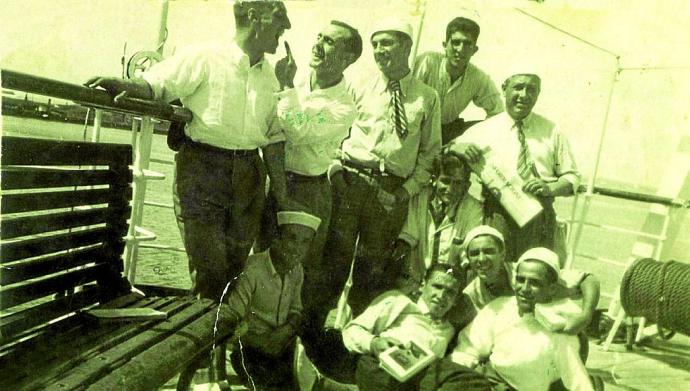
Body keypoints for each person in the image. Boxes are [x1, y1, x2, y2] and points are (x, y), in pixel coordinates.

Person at [86, 1, 295, 302]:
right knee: (209, 273)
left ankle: (216, 347)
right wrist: (126, 85)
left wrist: (281, 194)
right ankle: (207, 346)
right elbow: (156, 85)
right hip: (203, 172)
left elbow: (275, 136)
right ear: (254, 16)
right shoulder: (205, 57)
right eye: (279, 18)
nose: (286, 27)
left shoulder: (271, 77)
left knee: (234, 276)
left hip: (249, 177)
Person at [322, 18, 442, 319]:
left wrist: (404, 192)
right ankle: (319, 341)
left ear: (406, 47)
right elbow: (334, 132)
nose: (378, 51)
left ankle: (356, 339)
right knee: (333, 266)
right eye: (375, 45)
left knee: (371, 273)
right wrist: (336, 173)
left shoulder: (427, 98)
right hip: (350, 182)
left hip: (390, 195)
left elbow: (430, 153)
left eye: (386, 43)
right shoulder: (357, 87)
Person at [256, 19, 362, 302]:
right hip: (271, 181)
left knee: (295, 273)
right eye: (319, 36)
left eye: (329, 42)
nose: (317, 45)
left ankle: (283, 342)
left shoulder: (343, 107)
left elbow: (298, 129)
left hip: (307, 192)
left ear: (348, 58)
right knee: (260, 263)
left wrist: (286, 85)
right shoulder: (297, 84)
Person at [449, 72, 581, 263]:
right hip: (497, 214)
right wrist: (457, 147)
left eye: (531, 89)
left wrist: (550, 188)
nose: (524, 95)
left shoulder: (552, 131)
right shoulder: (484, 129)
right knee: (496, 271)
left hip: (540, 215)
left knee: (535, 271)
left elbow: (572, 178)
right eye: (518, 87)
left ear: (538, 94)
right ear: (504, 88)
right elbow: (445, 151)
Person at [448, 248, 595, 391]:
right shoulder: (501, 306)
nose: (524, 288)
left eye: (534, 282)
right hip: (486, 380)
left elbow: (577, 381)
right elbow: (469, 348)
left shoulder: (560, 327)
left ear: (552, 289)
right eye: (520, 279)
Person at [342, 264, 490, 391]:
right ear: (423, 286)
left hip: (421, 378)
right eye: (437, 286)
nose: (441, 295)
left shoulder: (450, 329)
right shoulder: (397, 301)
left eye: (450, 292)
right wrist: (374, 343)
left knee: (476, 383)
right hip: (382, 367)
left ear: (456, 300)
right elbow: (351, 330)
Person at [219, 211, 321, 391]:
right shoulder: (252, 270)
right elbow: (233, 322)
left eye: (305, 242)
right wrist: (262, 342)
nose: (297, 248)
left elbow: (296, 309)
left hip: (283, 346)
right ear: (277, 238)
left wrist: (285, 331)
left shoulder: (297, 270)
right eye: (292, 238)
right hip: (250, 350)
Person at [452, 225, 600, 335]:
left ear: (503, 254)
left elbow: (588, 279)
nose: (482, 259)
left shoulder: (527, 270)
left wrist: (585, 316)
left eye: (489, 251)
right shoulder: (472, 295)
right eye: (474, 254)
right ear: (468, 259)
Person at [413, 16, 503, 145]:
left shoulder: (478, 78)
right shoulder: (427, 61)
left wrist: (467, 141)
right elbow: (403, 95)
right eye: (455, 42)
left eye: (467, 44)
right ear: (445, 45)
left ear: (474, 50)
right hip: (416, 129)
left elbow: (498, 114)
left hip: (446, 133)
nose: (460, 49)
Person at [397, 152, 484, 280]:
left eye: (458, 183)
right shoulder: (420, 198)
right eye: (445, 181)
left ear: (467, 185)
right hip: (418, 280)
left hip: (452, 281)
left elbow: (469, 256)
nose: (450, 189)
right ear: (434, 179)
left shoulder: (474, 208)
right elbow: (408, 239)